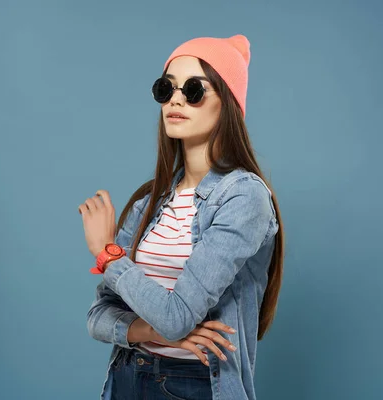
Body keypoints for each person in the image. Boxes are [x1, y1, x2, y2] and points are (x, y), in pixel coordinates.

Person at [79, 34, 285, 400]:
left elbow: (177, 318)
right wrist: (147, 332)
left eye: (193, 90)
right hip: (127, 376)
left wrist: (108, 254)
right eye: (166, 88)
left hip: (195, 384)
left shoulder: (243, 197)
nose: (176, 98)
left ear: (229, 102)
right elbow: (98, 317)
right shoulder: (150, 201)